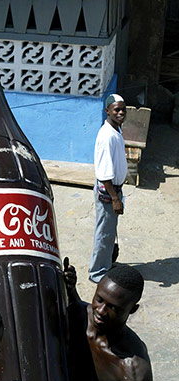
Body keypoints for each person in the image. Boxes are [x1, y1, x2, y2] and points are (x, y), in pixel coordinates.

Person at [88, 94, 127, 283]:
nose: (120, 113)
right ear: (107, 111)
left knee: (110, 230)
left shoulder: (116, 130)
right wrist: (115, 198)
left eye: (123, 110)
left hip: (115, 190)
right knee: (104, 232)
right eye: (116, 110)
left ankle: (106, 263)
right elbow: (104, 175)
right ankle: (98, 273)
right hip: (108, 191)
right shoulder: (106, 136)